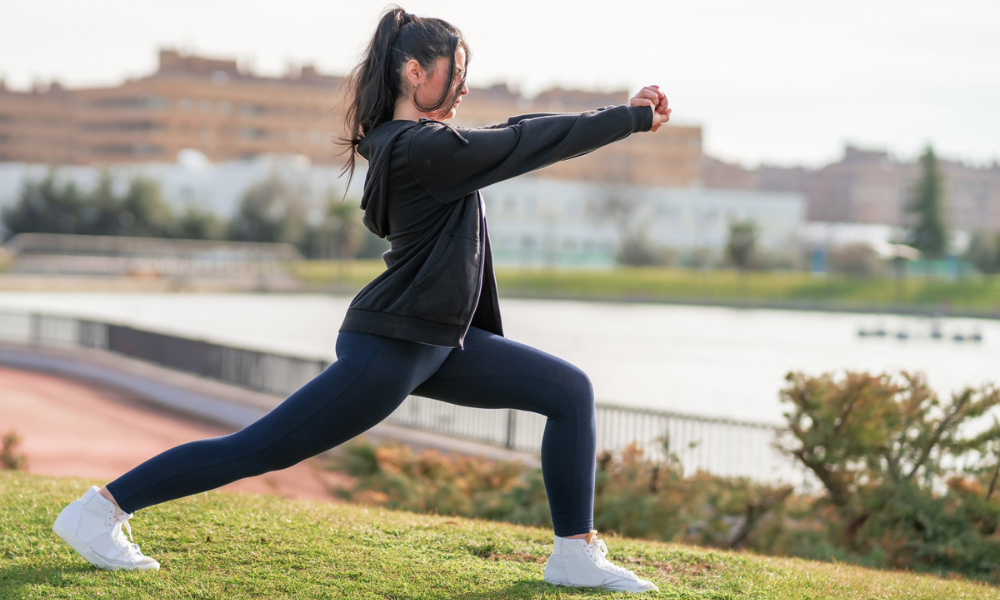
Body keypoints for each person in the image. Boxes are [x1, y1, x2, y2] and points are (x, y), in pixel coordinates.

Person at [52, 5, 671, 593]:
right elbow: (526, 141)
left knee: (568, 392)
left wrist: (620, 114)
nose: (461, 87)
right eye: (454, 72)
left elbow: (514, 132)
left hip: (436, 340)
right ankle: (99, 509)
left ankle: (574, 553)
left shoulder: (415, 145)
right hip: (393, 345)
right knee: (259, 448)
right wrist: (631, 117)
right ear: (415, 72)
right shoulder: (421, 150)